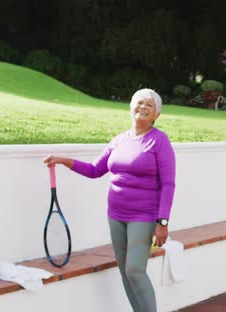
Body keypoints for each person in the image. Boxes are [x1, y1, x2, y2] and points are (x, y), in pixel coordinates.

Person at [44, 88, 176, 312]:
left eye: (149, 105)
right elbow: (95, 170)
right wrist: (65, 160)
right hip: (115, 214)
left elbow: (168, 184)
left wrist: (162, 222)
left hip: (143, 216)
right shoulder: (119, 141)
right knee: (125, 270)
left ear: (156, 115)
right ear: (131, 108)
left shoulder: (159, 141)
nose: (143, 107)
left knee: (135, 269)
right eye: (139, 102)